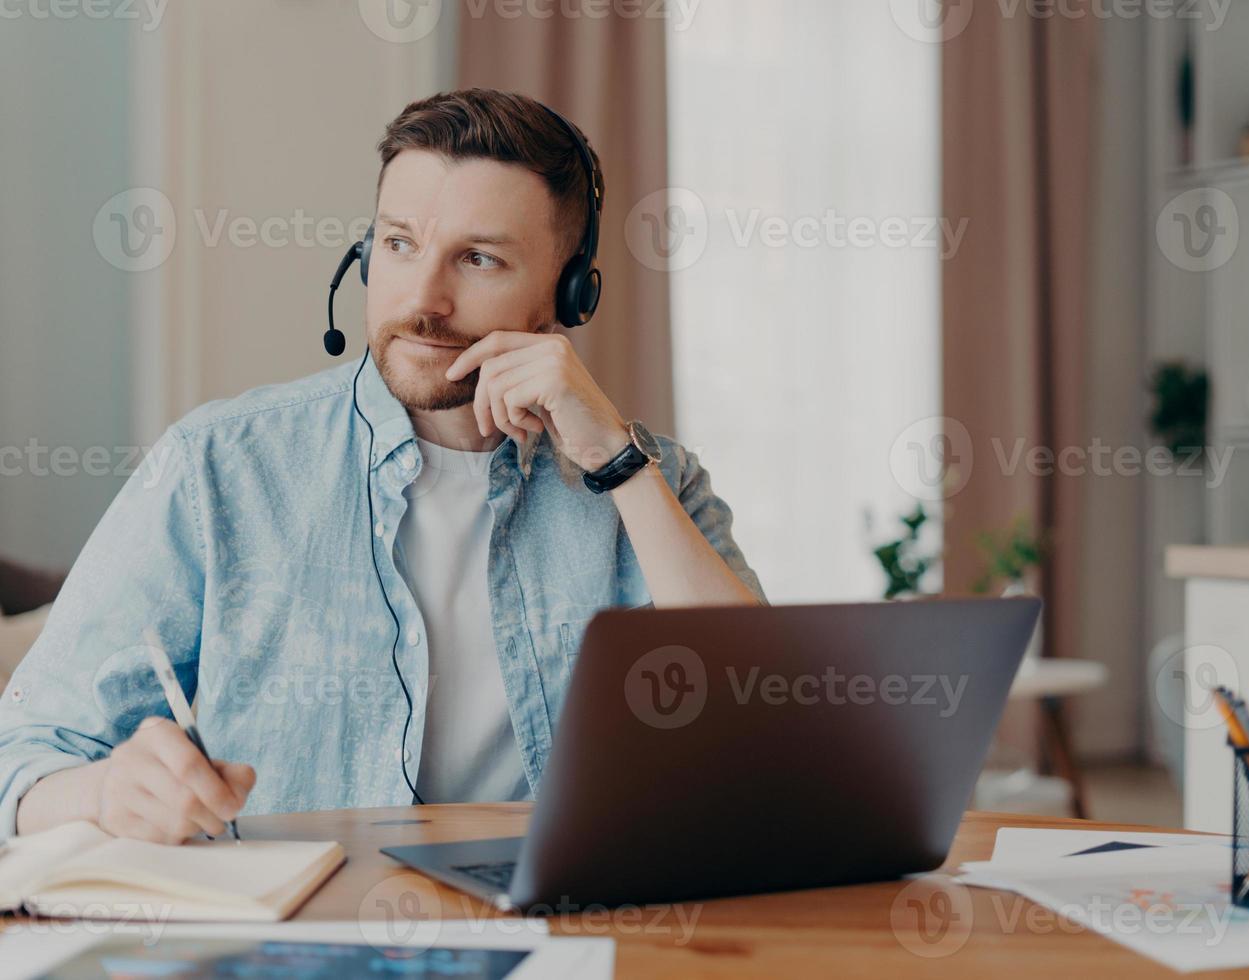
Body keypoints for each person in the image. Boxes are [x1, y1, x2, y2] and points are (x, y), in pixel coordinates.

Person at [0, 89, 763, 843]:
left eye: (479, 258)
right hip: (299, 945)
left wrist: (619, 465)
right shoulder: (215, 470)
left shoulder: (652, 480)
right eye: (399, 245)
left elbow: (760, 731)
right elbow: (21, 760)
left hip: (563, 932)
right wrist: (106, 794)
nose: (423, 299)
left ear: (567, 296)